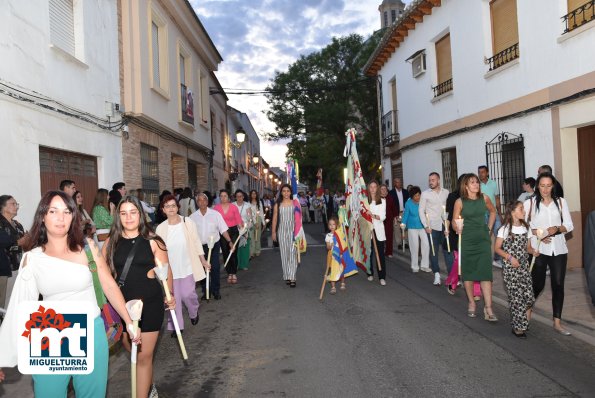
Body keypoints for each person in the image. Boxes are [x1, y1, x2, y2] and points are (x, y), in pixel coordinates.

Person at [0, 191, 140, 397]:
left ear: (73, 216)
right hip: (49, 333)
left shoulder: (88, 248)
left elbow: (109, 286)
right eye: (53, 211)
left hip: (90, 330)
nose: (61, 217)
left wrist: (129, 321)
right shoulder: (32, 258)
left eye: (67, 212)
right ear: (42, 216)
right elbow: (19, 308)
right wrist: (2, 357)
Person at [103, 195, 174, 398]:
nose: (128, 217)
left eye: (133, 212)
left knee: (142, 357)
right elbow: (106, 275)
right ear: (118, 217)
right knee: (130, 349)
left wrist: (170, 294)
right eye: (123, 213)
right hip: (121, 308)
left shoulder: (154, 241)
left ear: (140, 215)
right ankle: (149, 385)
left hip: (150, 306)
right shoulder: (111, 242)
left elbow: (166, 272)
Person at [524, 172, 573, 335]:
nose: (545, 189)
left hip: (559, 249)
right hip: (539, 249)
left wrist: (557, 229)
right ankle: (527, 310)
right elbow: (522, 226)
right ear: (538, 186)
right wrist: (538, 235)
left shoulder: (560, 202)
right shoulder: (530, 203)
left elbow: (569, 225)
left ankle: (557, 322)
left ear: (553, 186)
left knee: (558, 284)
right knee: (538, 284)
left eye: (549, 185)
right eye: (542, 185)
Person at [156, 195, 209, 337]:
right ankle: (176, 325)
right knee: (173, 298)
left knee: (188, 295)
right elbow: (157, 250)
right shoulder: (160, 229)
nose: (171, 209)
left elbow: (197, 242)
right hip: (170, 271)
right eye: (167, 206)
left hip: (187, 267)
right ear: (163, 209)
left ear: (178, 207)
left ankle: (194, 311)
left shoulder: (187, 222)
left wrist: (203, 261)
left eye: (173, 205)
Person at [453, 173, 498, 321]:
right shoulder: (460, 202)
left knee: (485, 273)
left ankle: (488, 307)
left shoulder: (484, 198)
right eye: (472, 182)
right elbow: (454, 221)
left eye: (477, 182)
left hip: (483, 239)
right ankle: (472, 302)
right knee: (469, 272)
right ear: (466, 186)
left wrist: (490, 227)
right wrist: (456, 227)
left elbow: (493, 211)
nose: (476, 185)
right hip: (467, 240)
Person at [495, 201, 538, 338]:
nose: (524, 212)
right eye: (521, 209)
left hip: (524, 267)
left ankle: (520, 322)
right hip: (510, 269)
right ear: (513, 212)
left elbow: (528, 248)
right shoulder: (505, 229)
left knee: (529, 298)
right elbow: (497, 248)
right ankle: (518, 328)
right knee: (516, 298)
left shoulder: (527, 228)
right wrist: (509, 257)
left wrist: (534, 251)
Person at [190, 192, 233, 300]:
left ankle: (216, 290)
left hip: (213, 246)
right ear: (197, 202)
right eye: (199, 200)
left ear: (207, 201)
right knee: (203, 270)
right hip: (200, 248)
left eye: (204, 200)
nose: (202, 202)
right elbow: (190, 235)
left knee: (215, 267)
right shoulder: (192, 217)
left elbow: (223, 229)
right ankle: (206, 291)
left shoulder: (215, 214)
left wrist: (230, 242)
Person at [419, 172, 452, 286]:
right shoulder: (425, 194)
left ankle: (452, 276)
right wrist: (426, 226)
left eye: (433, 180)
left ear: (438, 180)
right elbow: (421, 211)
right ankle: (437, 275)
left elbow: (448, 209)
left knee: (448, 250)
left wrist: (449, 224)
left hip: (444, 226)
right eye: (429, 180)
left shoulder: (446, 192)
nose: (430, 182)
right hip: (432, 226)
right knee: (434, 252)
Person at [0, 196, 27, 310]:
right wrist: (18, 242)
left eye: (17, 204)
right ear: (3, 207)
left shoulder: (18, 224)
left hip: (18, 266)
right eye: (13, 204)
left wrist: (28, 240)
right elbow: (3, 242)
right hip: (4, 267)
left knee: (14, 299)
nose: (16, 206)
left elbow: (23, 242)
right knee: (3, 301)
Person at [272, 184, 301, 287]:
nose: (286, 193)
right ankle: (287, 275)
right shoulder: (277, 205)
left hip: (293, 231)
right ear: (281, 192)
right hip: (282, 231)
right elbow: (274, 219)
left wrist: (299, 233)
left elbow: (299, 219)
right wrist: (273, 232)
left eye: (288, 191)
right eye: (284, 191)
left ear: (290, 192)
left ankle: (292, 277)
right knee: (284, 255)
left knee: (293, 254)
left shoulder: (295, 203)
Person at [213, 189, 243, 284]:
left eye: (225, 196)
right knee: (226, 253)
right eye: (221, 196)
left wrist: (243, 229)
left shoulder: (233, 207)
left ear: (228, 197)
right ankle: (229, 272)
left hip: (233, 232)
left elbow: (238, 220)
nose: (223, 198)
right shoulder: (216, 208)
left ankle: (234, 272)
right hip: (222, 233)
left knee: (233, 252)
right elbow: (214, 222)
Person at [324, 216, 358, 294]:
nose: (332, 226)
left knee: (341, 269)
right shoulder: (328, 236)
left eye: (333, 224)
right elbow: (328, 247)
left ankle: (342, 282)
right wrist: (331, 245)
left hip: (340, 255)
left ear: (336, 225)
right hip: (332, 256)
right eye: (330, 224)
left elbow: (343, 244)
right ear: (328, 226)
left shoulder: (339, 234)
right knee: (333, 271)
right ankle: (333, 287)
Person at [478, 165, 502, 268]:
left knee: (499, 234)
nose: (480, 174)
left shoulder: (493, 183)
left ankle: (497, 259)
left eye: (483, 172)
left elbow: (497, 198)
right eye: (479, 172)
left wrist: (500, 214)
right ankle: (484, 259)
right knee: (484, 236)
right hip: (482, 214)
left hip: (494, 213)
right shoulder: (476, 185)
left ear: (487, 173)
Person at [402, 186, 429, 273]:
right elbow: (406, 214)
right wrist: (403, 223)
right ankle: (415, 265)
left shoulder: (423, 201)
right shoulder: (408, 203)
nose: (418, 197)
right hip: (412, 227)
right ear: (412, 196)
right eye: (416, 195)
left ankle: (424, 265)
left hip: (422, 226)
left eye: (419, 195)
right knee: (414, 246)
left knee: (426, 245)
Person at [366, 181, 387, 286]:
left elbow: (383, 217)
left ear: (377, 188)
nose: (373, 189)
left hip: (378, 231)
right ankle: (369, 273)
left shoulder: (382, 201)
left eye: (375, 187)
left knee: (380, 255)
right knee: (369, 254)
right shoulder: (365, 202)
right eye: (371, 187)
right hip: (368, 230)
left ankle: (382, 276)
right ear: (368, 188)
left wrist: (372, 215)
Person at [234, 190, 252, 271]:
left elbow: (249, 217)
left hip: (244, 228)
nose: (239, 198)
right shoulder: (232, 205)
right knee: (236, 247)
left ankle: (244, 264)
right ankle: (236, 264)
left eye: (240, 196)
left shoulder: (247, 205)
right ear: (235, 197)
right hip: (235, 228)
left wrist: (248, 225)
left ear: (243, 197)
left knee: (244, 247)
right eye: (237, 196)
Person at [389, 178, 409, 250]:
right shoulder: (391, 193)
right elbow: (390, 204)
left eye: (400, 182)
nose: (399, 184)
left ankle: (405, 242)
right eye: (397, 182)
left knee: (405, 228)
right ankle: (399, 243)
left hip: (404, 213)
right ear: (394, 183)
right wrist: (393, 215)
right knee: (397, 228)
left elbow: (408, 202)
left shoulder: (405, 192)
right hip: (396, 213)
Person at [381, 184, 398, 258]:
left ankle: (389, 252)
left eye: (385, 189)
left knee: (389, 236)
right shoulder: (377, 198)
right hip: (380, 220)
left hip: (389, 220)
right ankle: (381, 251)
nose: (384, 190)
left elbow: (394, 208)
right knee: (381, 236)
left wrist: (395, 218)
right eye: (382, 189)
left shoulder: (390, 198)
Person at [249, 190, 265, 258]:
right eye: (252, 194)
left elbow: (261, 212)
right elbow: (249, 213)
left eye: (255, 194)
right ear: (250, 195)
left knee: (257, 236)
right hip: (250, 220)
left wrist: (263, 222)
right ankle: (251, 251)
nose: (253, 195)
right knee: (251, 236)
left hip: (258, 219)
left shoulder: (259, 202)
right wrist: (254, 222)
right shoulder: (248, 203)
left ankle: (257, 250)